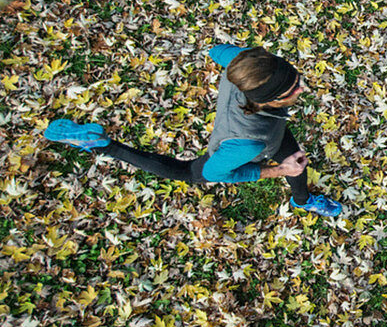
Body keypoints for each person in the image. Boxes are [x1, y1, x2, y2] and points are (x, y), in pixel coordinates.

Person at [42, 44, 342, 217]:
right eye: (294, 89)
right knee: (187, 172)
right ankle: (104, 145)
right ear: (271, 99)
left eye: (297, 79)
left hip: (271, 126)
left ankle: (301, 200)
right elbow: (215, 174)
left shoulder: (243, 65)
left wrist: (247, 62)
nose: (303, 87)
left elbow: (217, 51)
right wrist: (278, 171)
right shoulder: (246, 145)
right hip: (250, 141)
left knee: (296, 161)